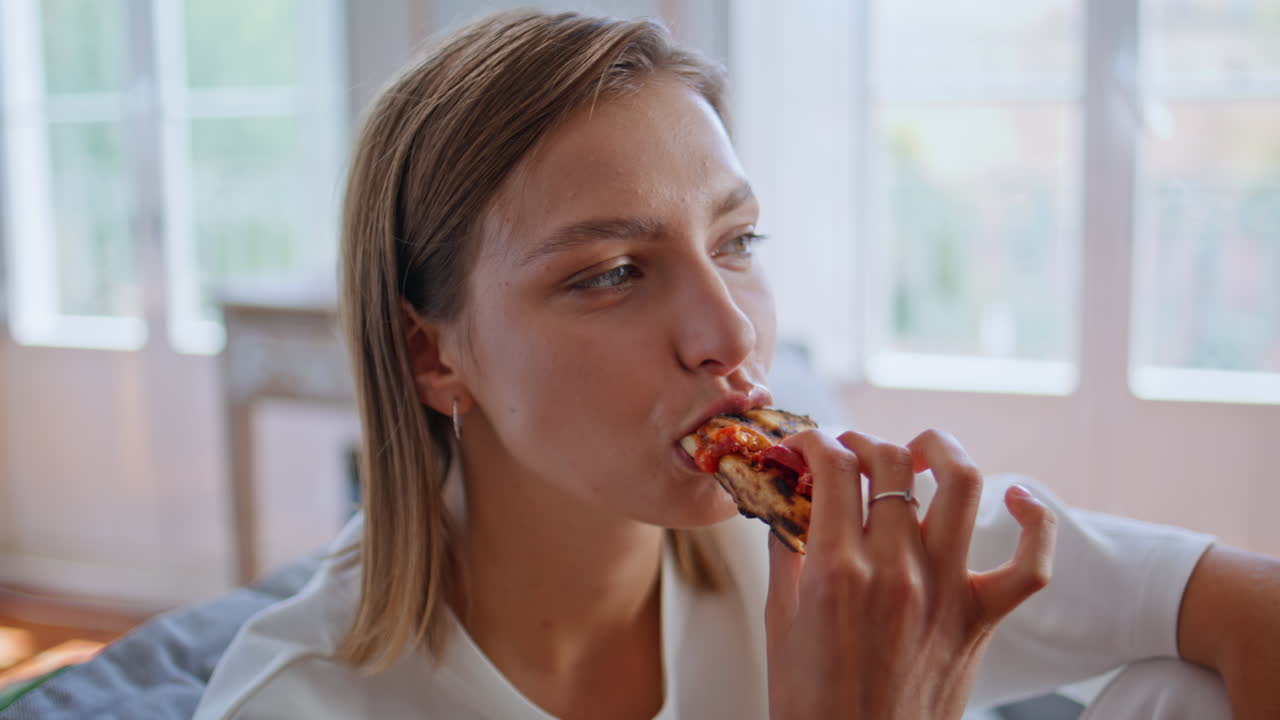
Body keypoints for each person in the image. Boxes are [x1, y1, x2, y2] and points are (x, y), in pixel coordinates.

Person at [194, 10, 1279, 719]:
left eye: (736, 243)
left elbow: (1248, 608)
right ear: (430, 353)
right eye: (613, 271)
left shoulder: (835, 545)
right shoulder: (295, 704)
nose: (731, 332)